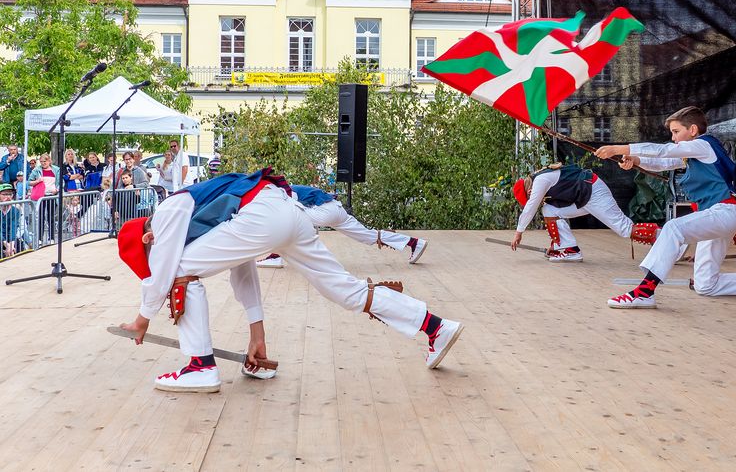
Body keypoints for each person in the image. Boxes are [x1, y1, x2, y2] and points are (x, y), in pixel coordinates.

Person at [117, 168, 463, 392]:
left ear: (147, 240)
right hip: (285, 213)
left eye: (147, 258)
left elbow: (164, 272)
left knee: (178, 273)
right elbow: (243, 266)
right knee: (348, 292)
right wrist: (258, 335)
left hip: (264, 213)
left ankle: (200, 366)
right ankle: (435, 326)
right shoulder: (203, 226)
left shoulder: (166, 213)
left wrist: (142, 319)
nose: (154, 263)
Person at [596, 107, 736, 307]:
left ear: (692, 130)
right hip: (720, 215)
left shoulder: (703, 145)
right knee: (706, 285)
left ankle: (645, 291)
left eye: (676, 132)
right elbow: (663, 162)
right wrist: (636, 160)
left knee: (673, 228)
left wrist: (620, 149)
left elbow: (664, 151)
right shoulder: (696, 153)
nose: (673, 138)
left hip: (722, 212)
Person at [510, 163, 660, 262]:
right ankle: (569, 249)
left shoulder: (540, 181)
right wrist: (556, 245)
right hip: (584, 197)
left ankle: (665, 238)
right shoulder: (541, 178)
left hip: (594, 194)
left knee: (625, 229)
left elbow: (530, 208)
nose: (533, 199)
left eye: (529, 197)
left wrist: (519, 232)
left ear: (529, 191)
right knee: (549, 209)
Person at [256, 184, 429, 269]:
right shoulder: (288, 187)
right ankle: (414, 243)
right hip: (336, 209)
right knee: (368, 236)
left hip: (325, 211)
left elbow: (290, 210)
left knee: (288, 220)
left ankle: (276, 256)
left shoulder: (283, 192)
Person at [28, 154, 60, 243]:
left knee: (51, 217)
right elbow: (29, 182)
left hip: (52, 196)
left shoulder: (56, 170)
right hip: (41, 196)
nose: (43, 163)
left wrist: (57, 189)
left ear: (49, 161)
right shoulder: (37, 170)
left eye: (44, 161)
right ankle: (40, 239)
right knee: (41, 217)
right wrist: (37, 181)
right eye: (41, 162)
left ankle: (52, 238)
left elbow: (61, 182)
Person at [0, 184, 21, 257]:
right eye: (5, 194)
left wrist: (11, 244)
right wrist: (6, 244)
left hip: (9, 237)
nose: (8, 197)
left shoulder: (15, 210)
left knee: (18, 246)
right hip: (2, 238)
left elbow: (14, 227)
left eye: (10, 194)